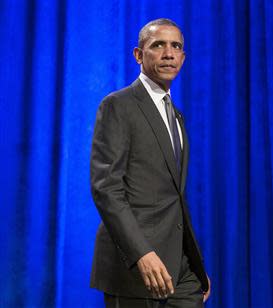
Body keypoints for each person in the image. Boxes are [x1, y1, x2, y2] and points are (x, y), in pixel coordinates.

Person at [90, 18, 210, 307]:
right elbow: (106, 188)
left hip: (180, 272)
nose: (169, 53)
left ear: (183, 57)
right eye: (158, 45)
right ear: (138, 54)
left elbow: (175, 198)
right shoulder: (118, 105)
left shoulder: (177, 116)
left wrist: (194, 263)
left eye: (176, 46)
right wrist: (141, 253)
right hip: (136, 269)